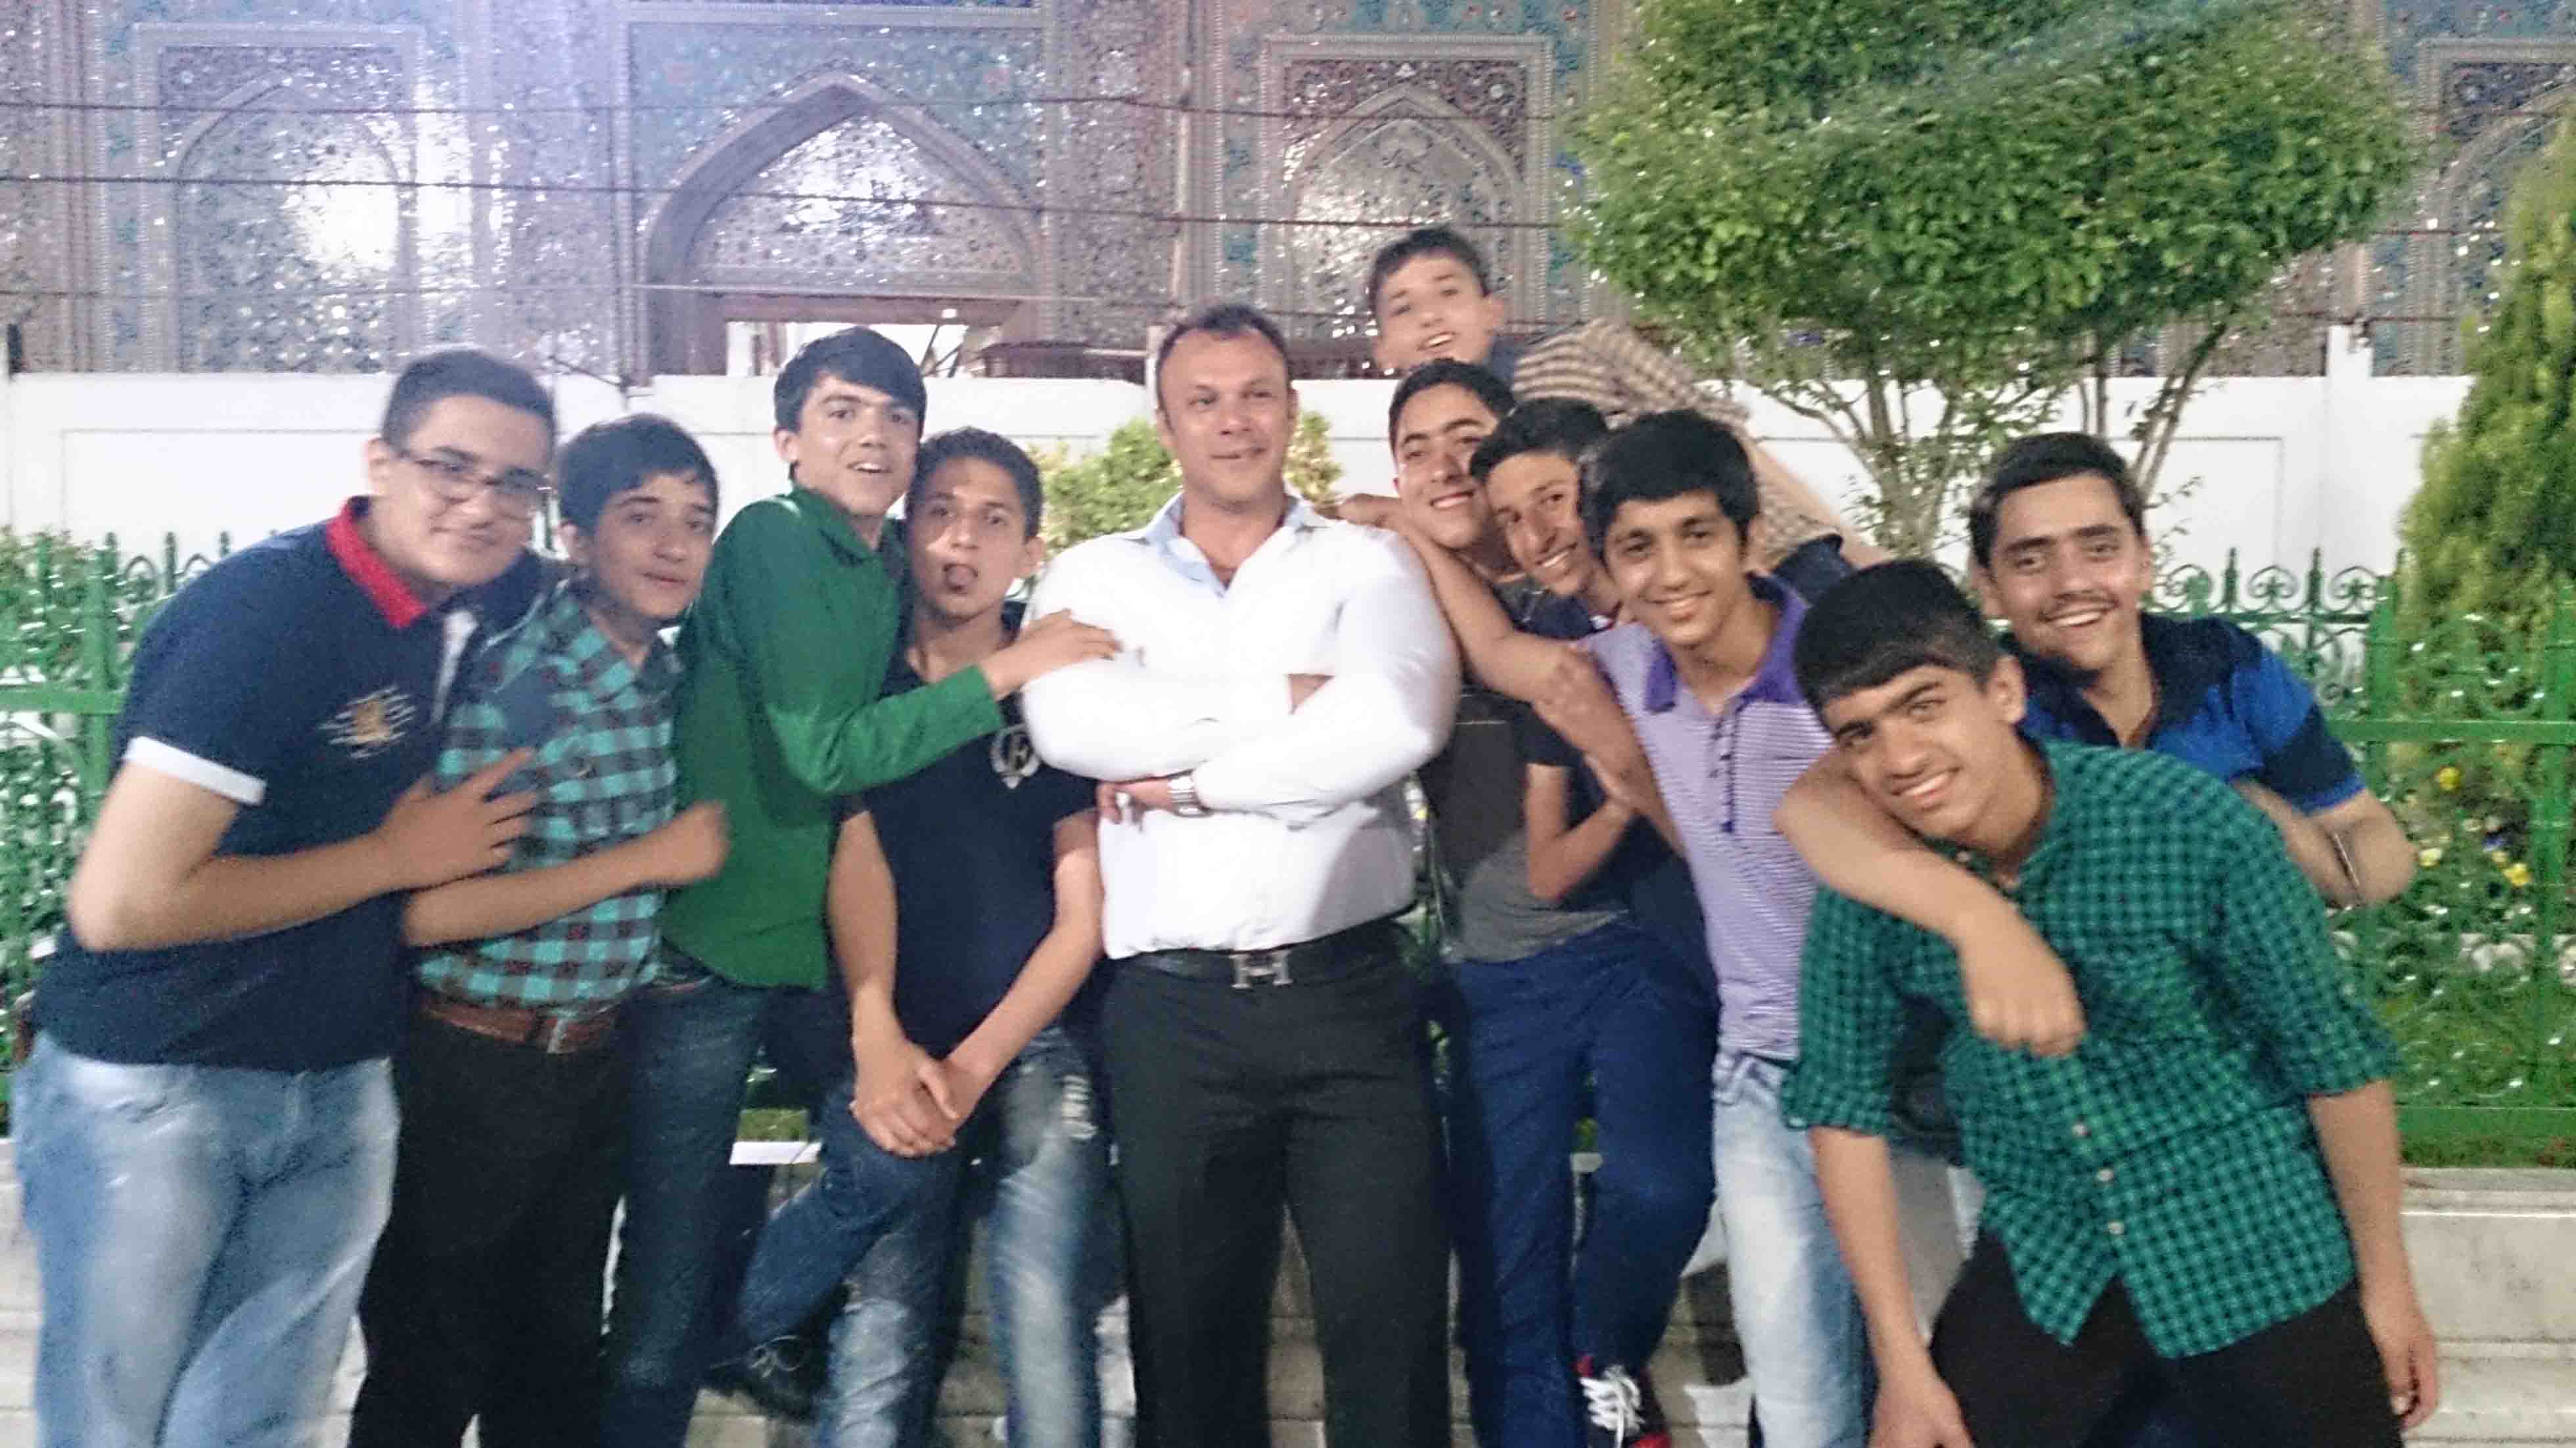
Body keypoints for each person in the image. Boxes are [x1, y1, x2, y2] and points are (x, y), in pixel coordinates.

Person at [21, 349, 555, 1448]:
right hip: (162, 1077)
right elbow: (122, 904)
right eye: (450, 468)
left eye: (516, 484)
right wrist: (395, 856)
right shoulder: (269, 613)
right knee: (115, 1420)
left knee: (261, 1420)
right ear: (379, 463)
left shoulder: (463, 599)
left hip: (336, 1078)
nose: (481, 504)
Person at [1780, 560, 2440, 1448]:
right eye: (1859, 735)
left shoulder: (2184, 822)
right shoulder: (1876, 886)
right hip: (2054, 1251)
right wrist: (1901, 1364)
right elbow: (1842, 1107)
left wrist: (2387, 1287)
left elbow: (2333, 1055)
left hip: (2247, 1232)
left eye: (1924, 706)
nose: (1899, 759)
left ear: (2003, 690)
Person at [602, 328, 1116, 1447]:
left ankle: (745, 1326)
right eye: (841, 412)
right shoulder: (774, 538)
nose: (871, 436)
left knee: (892, 1164)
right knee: (667, 1281)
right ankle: (722, 1336)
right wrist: (1010, 667)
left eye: (893, 416)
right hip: (714, 952)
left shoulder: (880, 573)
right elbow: (829, 758)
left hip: (812, 960)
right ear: (788, 439)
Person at [1021, 302, 1460, 1447]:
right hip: (1175, 1018)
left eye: (1257, 394)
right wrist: (1291, 701)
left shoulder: (1369, 563)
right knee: (1189, 1350)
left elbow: (1399, 721)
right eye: (1204, 400)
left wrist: (1192, 783)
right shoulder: (1095, 573)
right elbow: (1075, 726)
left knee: (1392, 1339)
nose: (1234, 421)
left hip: (1350, 999)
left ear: (1292, 410)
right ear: (1165, 423)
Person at [1565, 412, 1969, 1448]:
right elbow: (1501, 652)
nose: (1671, 573)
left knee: (1958, 1376)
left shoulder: (1843, 682)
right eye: (1638, 547)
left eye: (1698, 534)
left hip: (1913, 1070)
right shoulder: (1628, 667)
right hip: (1761, 1076)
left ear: (1749, 537)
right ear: (1609, 567)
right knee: (1795, 1396)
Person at [346, 414, 729, 1447]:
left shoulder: (661, 679)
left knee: (554, 1372)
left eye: (697, 522)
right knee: (428, 1371)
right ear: (576, 537)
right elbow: (427, 911)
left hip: (590, 1062)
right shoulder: (526, 684)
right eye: (641, 517)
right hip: (473, 1067)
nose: (673, 545)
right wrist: (646, 861)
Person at [728, 428, 1111, 1447]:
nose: (961, 539)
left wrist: (977, 1067)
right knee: (884, 1324)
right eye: (939, 511)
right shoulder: (861, 685)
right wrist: (884, 1049)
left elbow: (1083, 916)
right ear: (906, 532)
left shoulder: (1060, 692)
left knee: (1047, 1313)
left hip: (1031, 1042)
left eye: (993, 520)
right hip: (888, 1043)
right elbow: (848, 865)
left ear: (1030, 548)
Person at [1402, 388, 1720, 1448]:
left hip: (1636, 944)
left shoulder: (1654, 605)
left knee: (1660, 1187)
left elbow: (1516, 662)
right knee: (1508, 1267)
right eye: (1418, 452)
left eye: (1467, 444)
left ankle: (1604, 1353)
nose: (1446, 471)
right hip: (1497, 977)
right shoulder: (1457, 604)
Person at [1362, 225, 1879, 600]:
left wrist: (1855, 548)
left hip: (1782, 564)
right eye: (1404, 308)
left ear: (1492, 311)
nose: (1430, 317)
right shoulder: (1431, 454)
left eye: (1448, 292)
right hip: (1668, 606)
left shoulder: (1585, 351)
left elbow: (1729, 442)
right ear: (1383, 348)